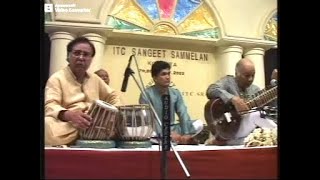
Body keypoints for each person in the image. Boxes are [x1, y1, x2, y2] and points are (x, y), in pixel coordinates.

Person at [44, 37, 122, 146]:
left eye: (86, 54)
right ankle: (82, 137)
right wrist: (69, 115)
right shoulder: (57, 78)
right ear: (68, 56)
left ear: (91, 59)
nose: (81, 57)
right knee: (46, 125)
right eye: (77, 53)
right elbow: (50, 105)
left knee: (123, 123)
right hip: (70, 126)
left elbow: (113, 96)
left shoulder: (95, 79)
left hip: (96, 124)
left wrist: (111, 115)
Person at [205, 58, 277, 145]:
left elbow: (271, 108)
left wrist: (274, 87)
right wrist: (233, 99)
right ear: (236, 73)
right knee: (257, 115)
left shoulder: (255, 89)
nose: (250, 79)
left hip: (243, 129)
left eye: (253, 75)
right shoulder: (228, 82)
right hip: (227, 125)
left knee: (257, 132)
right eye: (246, 76)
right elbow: (211, 89)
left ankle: (226, 142)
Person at [139, 60, 203, 144]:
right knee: (144, 131)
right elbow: (148, 120)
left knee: (199, 124)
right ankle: (176, 140)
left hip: (173, 129)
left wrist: (186, 133)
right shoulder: (146, 94)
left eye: (169, 73)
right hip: (156, 130)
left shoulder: (175, 93)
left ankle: (178, 139)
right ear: (155, 78)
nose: (168, 77)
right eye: (163, 74)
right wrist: (166, 133)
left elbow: (183, 113)